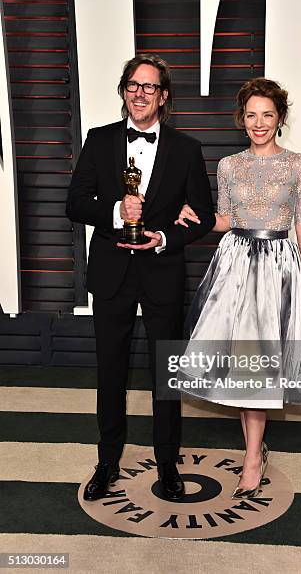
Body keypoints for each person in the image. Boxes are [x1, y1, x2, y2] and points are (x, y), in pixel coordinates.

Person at [66, 54, 215, 501]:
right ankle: (107, 462)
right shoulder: (99, 140)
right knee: (110, 371)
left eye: (150, 87)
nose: (140, 93)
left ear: (163, 96)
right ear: (124, 90)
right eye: (133, 85)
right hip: (111, 272)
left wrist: (165, 237)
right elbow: (75, 203)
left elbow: (203, 215)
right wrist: (114, 211)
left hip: (161, 272)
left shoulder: (187, 149)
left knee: (164, 374)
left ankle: (168, 465)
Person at [174, 77, 301, 499]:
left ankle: (252, 456)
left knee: (256, 362)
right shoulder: (228, 165)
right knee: (247, 363)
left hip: (279, 266)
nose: (259, 123)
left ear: (280, 119)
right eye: (251, 115)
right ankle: (254, 453)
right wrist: (197, 217)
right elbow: (224, 218)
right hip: (236, 264)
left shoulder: (299, 164)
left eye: (267, 115)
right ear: (242, 120)